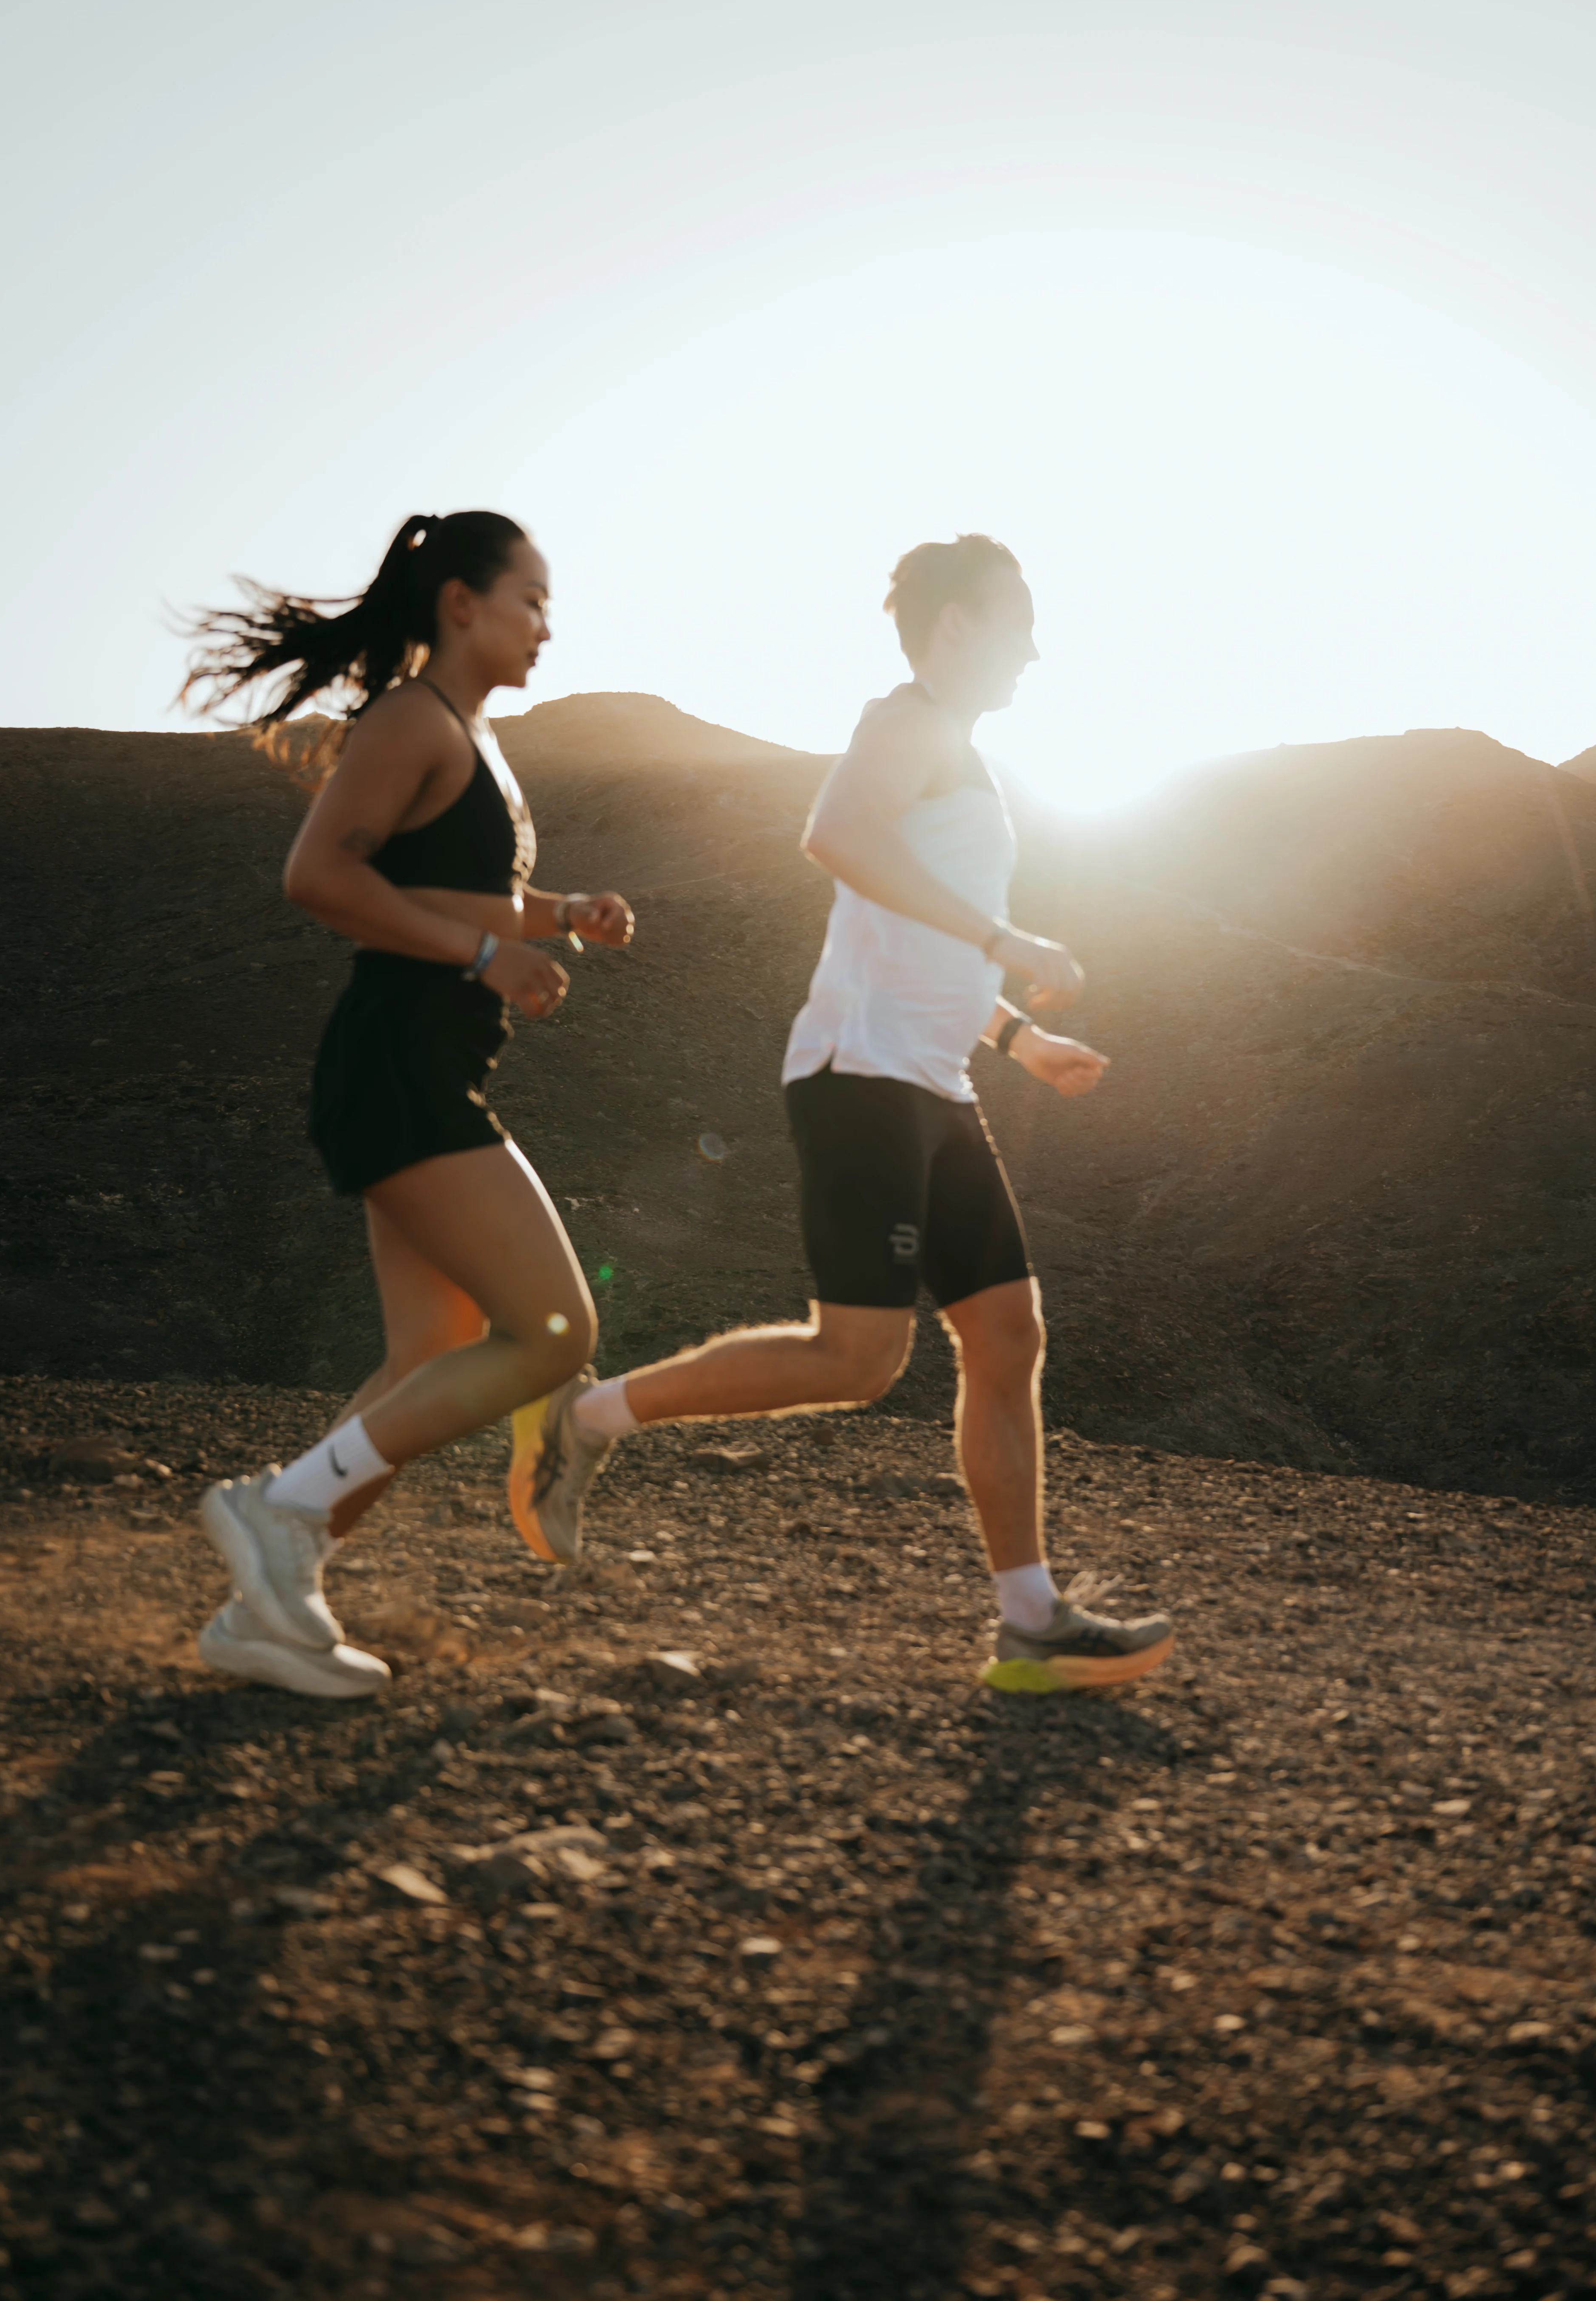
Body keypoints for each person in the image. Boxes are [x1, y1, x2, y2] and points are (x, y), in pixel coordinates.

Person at [508, 533, 1173, 1693]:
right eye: (1017, 624)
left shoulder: (958, 755)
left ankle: (1029, 1620)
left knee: (1008, 1336)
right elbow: (838, 838)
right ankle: (584, 1419)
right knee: (859, 1358)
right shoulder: (904, 723)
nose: (1032, 651)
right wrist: (1004, 937)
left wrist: (1018, 1036)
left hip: (935, 1081)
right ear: (955, 628)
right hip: (861, 1078)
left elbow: (910, 938)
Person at [179, 511, 633, 1697]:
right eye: (531, 598)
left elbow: (463, 889)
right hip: (399, 1064)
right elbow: (320, 875)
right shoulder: (410, 722)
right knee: (552, 1333)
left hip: (428, 1063)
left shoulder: (470, 738)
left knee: (428, 1350)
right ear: (460, 605)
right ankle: (277, 1513)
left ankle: (264, 1611)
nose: (547, 623)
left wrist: (562, 912)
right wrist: (486, 961)